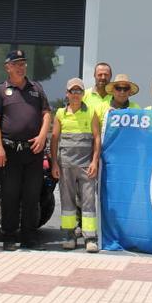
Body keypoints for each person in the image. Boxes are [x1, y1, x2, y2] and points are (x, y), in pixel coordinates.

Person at [0, 50, 52, 251]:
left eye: (23, 63)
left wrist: (43, 136)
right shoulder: (0, 90)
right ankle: (9, 237)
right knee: (9, 195)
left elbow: (46, 114)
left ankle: (29, 238)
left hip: (33, 151)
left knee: (31, 196)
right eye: (16, 63)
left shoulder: (36, 88)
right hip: (9, 152)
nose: (20, 66)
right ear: (7, 67)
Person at [51, 78, 102, 253]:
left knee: (89, 202)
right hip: (66, 166)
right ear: (67, 94)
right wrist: (54, 164)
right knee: (67, 203)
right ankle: (69, 235)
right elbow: (55, 139)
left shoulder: (91, 112)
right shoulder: (60, 113)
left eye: (79, 91)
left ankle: (90, 237)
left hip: (87, 166)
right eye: (72, 91)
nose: (76, 94)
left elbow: (97, 138)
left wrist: (95, 161)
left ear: (83, 94)